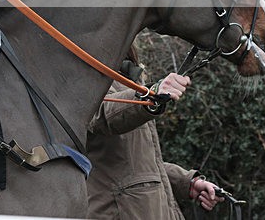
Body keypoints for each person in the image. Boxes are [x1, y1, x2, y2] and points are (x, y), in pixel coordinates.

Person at [86, 48, 224, 219]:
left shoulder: (129, 77)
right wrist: (151, 95)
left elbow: (142, 162)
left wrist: (187, 182)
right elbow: (99, 115)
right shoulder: (83, 72)